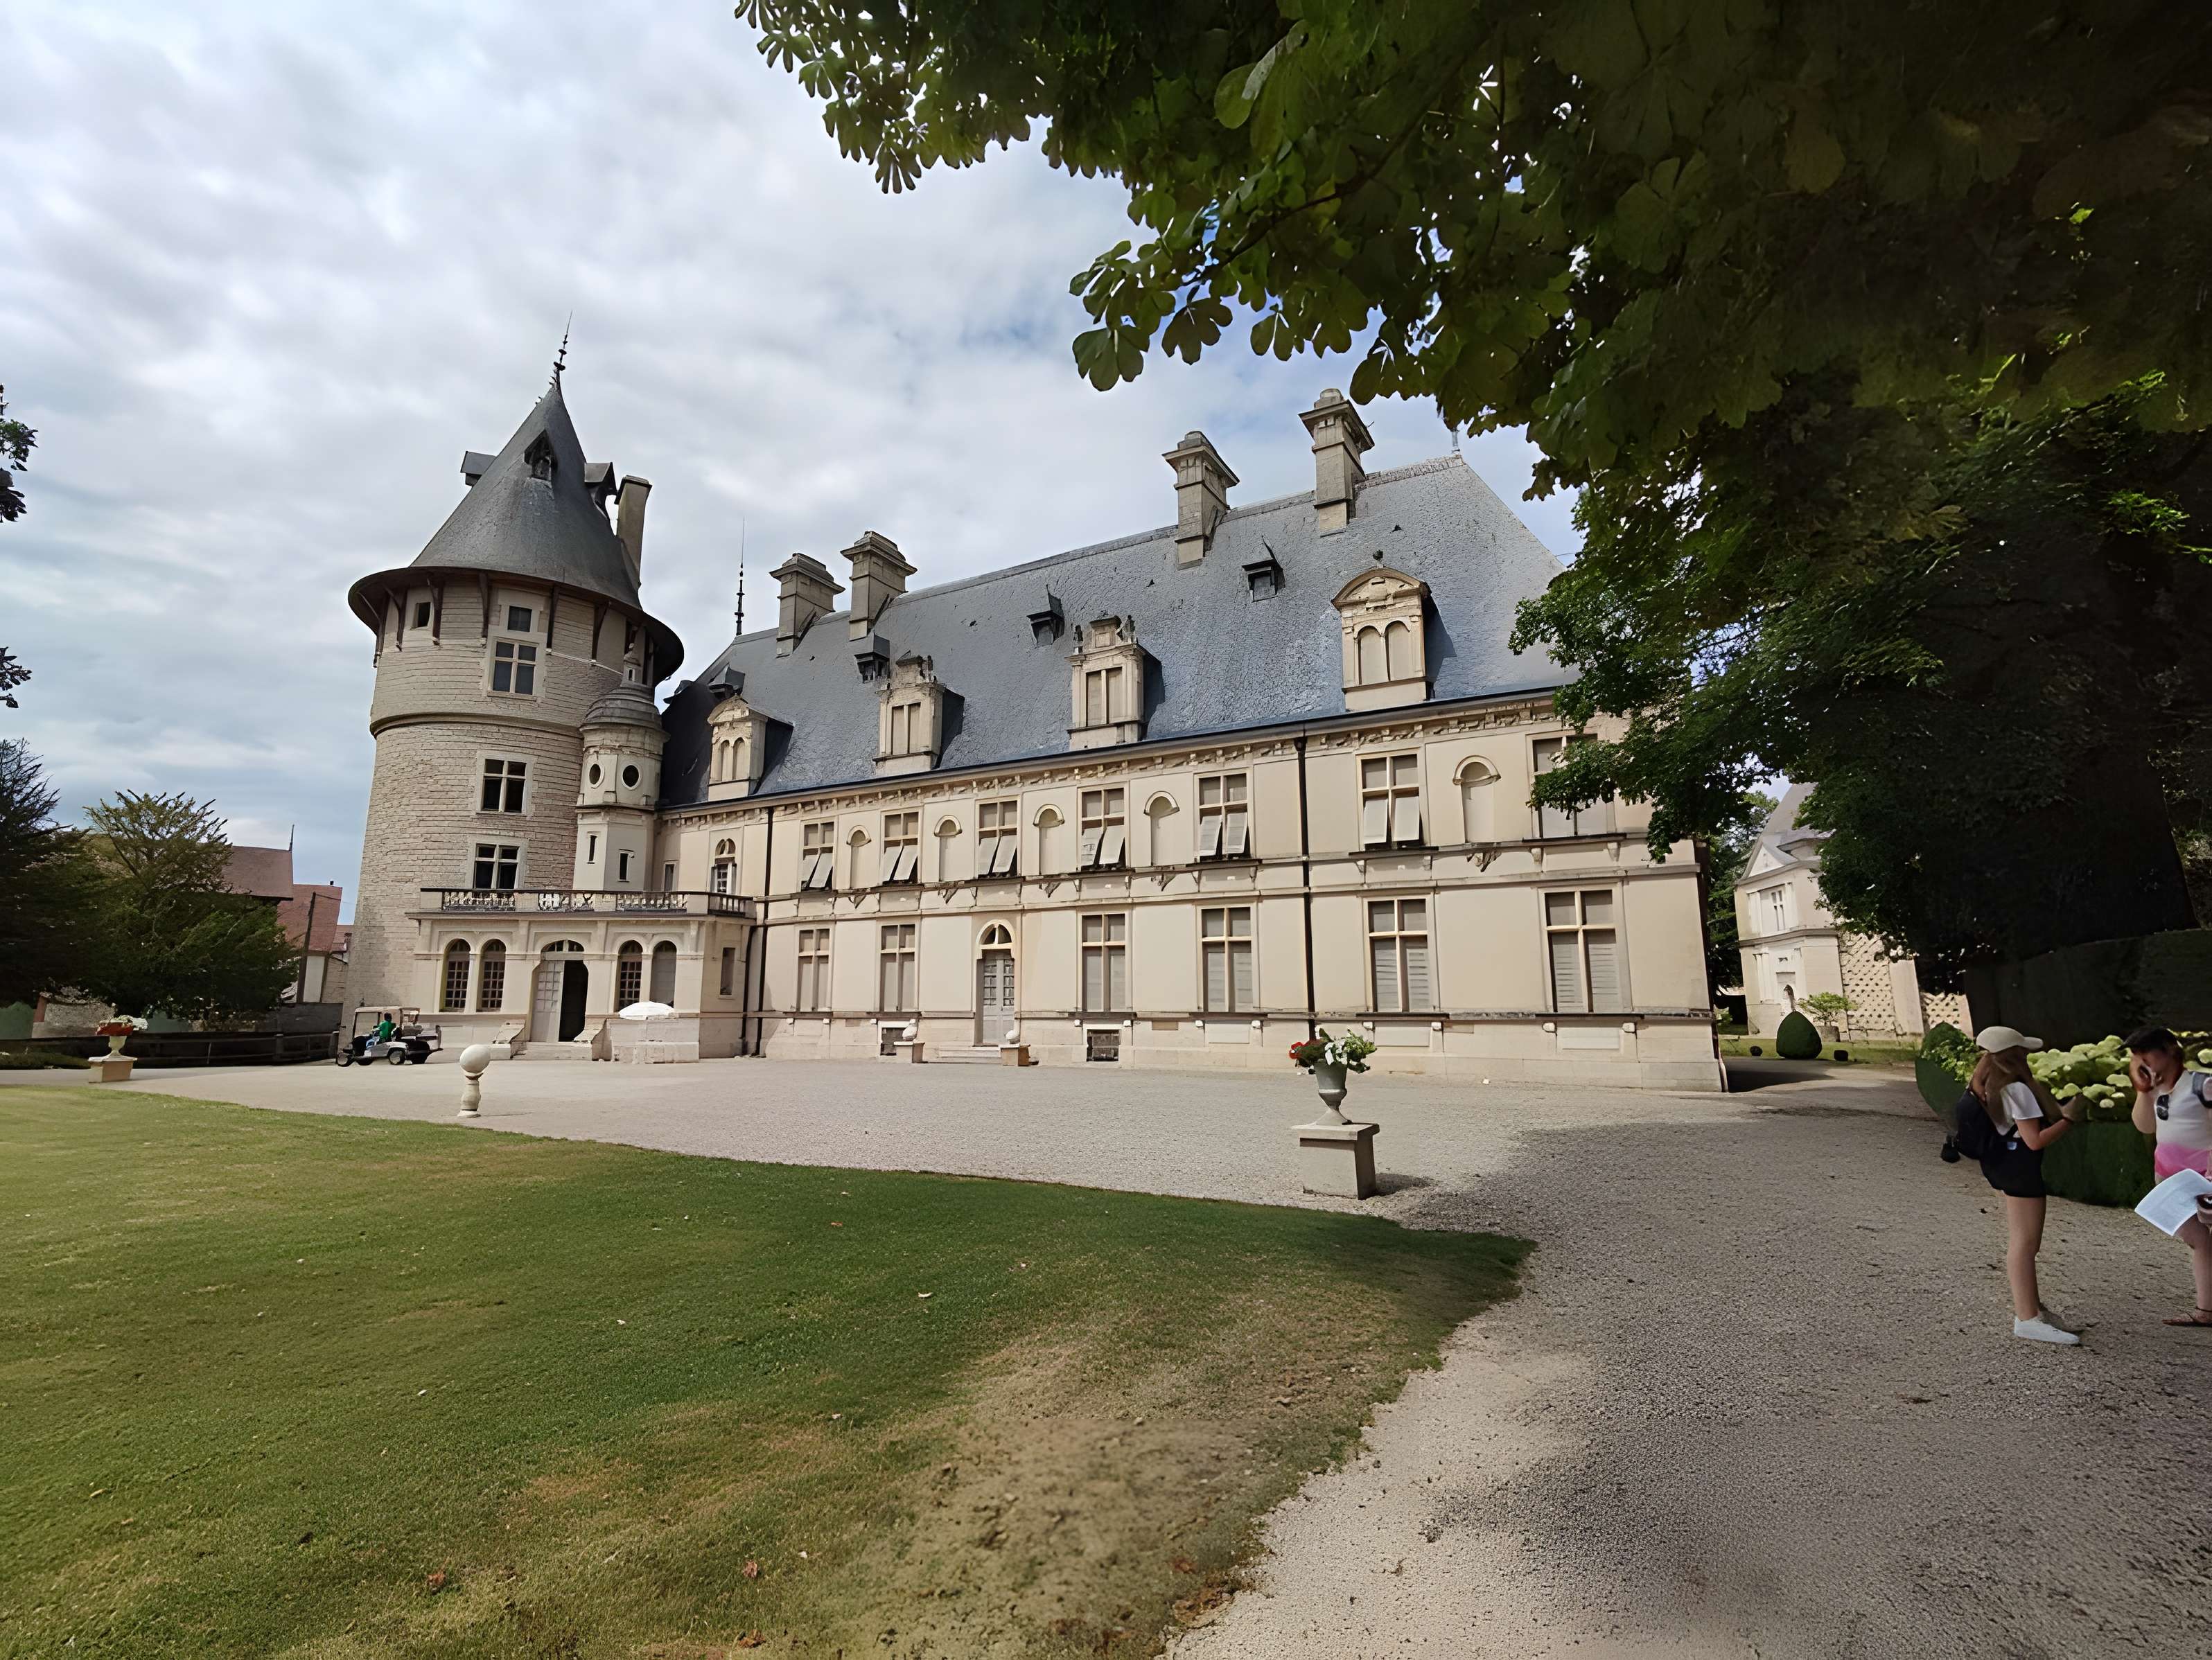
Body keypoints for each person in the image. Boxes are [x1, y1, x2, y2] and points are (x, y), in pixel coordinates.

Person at [1971, 1025, 2082, 1345]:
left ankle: (2031, 1309)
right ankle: (2027, 1317)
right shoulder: (2016, 1090)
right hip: (2022, 1166)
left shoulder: (1984, 1084)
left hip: (2005, 1163)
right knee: (2025, 1244)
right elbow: (2035, 1141)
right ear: (2015, 1057)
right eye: (2024, 1053)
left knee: (2023, 1242)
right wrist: (2069, 1119)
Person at [2125, 1027, 2212, 1329]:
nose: (2140, 1062)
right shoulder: (2157, 1090)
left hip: (2204, 1176)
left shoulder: (2203, 1084)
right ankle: (2206, 1310)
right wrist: (2143, 1091)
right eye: (2136, 1057)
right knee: (2196, 1240)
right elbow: (2145, 1127)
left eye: (2145, 1054)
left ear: (2169, 1051)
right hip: (2172, 1178)